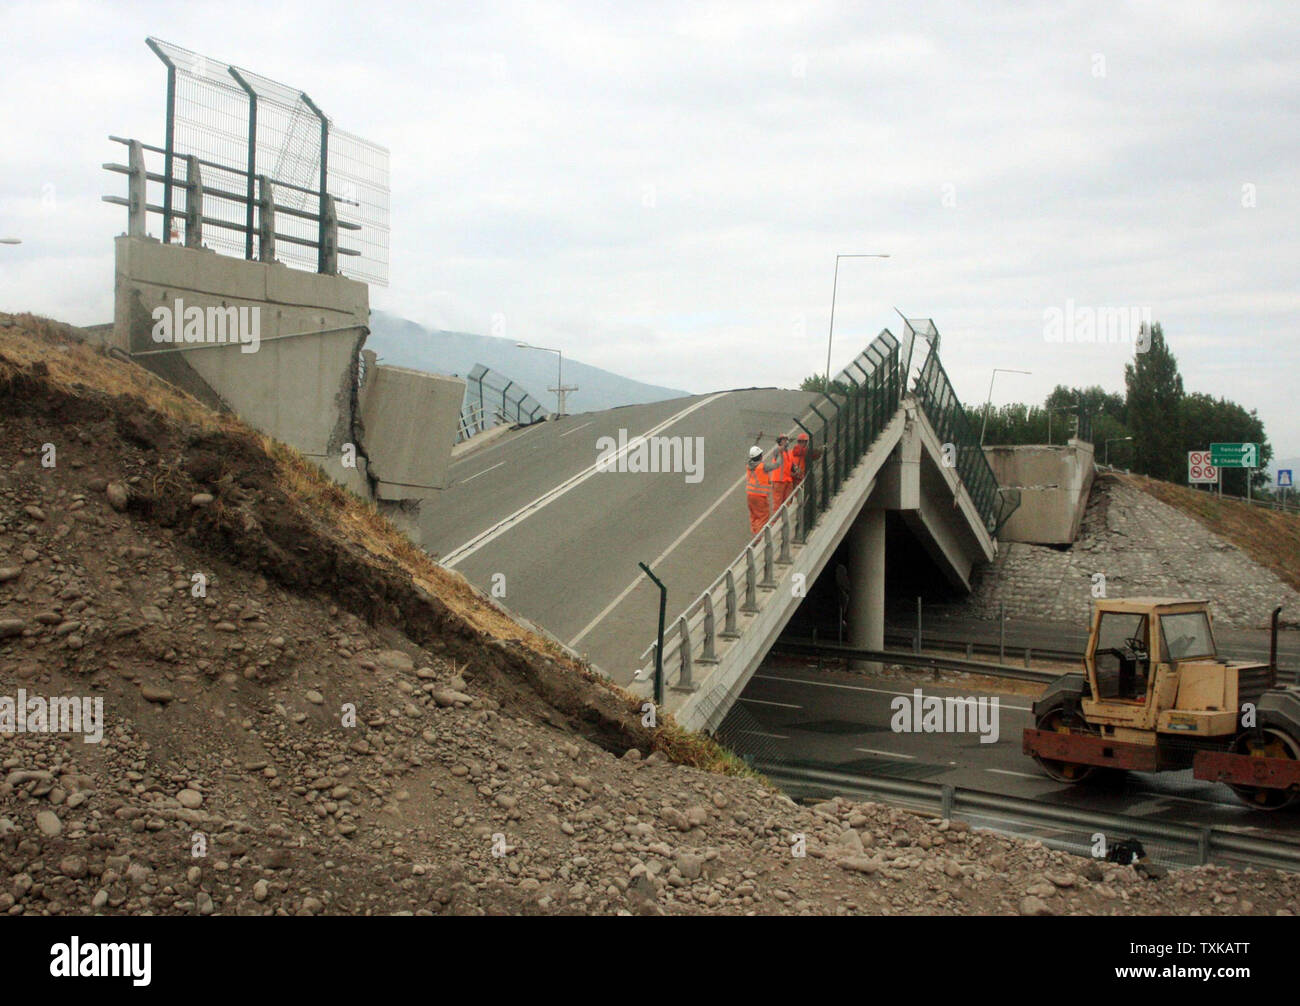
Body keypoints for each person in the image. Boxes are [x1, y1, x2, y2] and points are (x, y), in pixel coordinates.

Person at [745, 445, 780, 534]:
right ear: (760, 456)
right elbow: (776, 465)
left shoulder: (749, 465)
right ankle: (759, 539)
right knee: (763, 516)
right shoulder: (762, 466)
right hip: (760, 496)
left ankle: (755, 534)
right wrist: (778, 455)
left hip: (750, 495)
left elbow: (750, 459)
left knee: (754, 516)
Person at [770, 434, 796, 509]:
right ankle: (776, 520)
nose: (786, 441)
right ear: (780, 442)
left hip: (788, 481)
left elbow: (791, 465)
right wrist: (784, 446)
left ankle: (785, 520)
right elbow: (777, 451)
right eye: (784, 440)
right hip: (778, 481)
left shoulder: (789, 452)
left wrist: (795, 469)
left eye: (786, 440)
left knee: (787, 504)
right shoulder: (778, 451)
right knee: (777, 504)